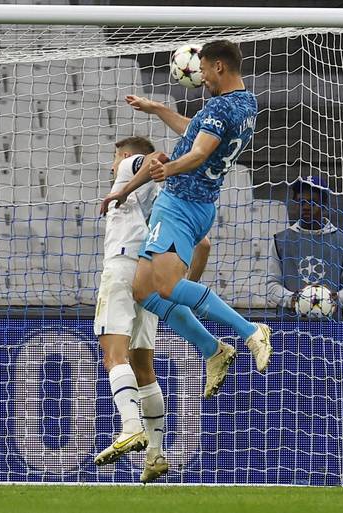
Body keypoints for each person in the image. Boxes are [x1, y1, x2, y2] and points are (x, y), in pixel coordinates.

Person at [101, 39, 272, 378]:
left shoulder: (218, 109)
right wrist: (156, 108)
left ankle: (250, 331)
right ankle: (213, 349)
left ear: (218, 66)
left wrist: (169, 169)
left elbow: (198, 153)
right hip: (200, 203)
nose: (202, 77)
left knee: (165, 286)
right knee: (143, 290)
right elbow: (193, 132)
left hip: (181, 203)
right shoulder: (245, 103)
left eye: (204, 69)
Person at [93, 136, 218, 484]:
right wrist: (181, 283)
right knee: (143, 365)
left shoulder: (130, 169)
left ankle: (131, 427)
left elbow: (153, 159)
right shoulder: (162, 198)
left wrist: (122, 185)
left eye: (114, 158)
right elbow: (203, 244)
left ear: (125, 156)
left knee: (113, 355)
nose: (111, 166)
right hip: (146, 276)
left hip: (120, 267)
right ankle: (156, 454)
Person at [267, 175, 343, 314]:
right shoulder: (280, 241)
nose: (306, 207)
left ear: (324, 205)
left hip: (331, 325)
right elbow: (272, 284)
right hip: (289, 325)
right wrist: (293, 299)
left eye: (313, 203)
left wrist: (334, 299)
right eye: (301, 202)